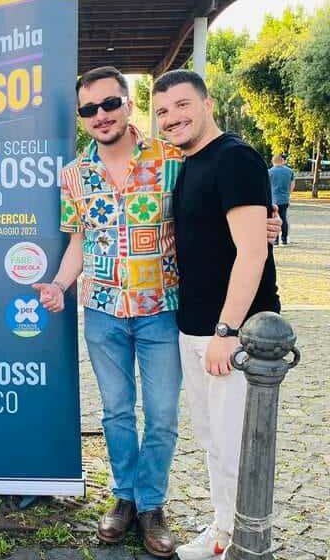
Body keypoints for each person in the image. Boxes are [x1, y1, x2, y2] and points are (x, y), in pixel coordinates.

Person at [34, 66, 281, 559]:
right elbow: (78, 242)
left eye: (110, 103)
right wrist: (60, 284)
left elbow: (218, 208)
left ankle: (152, 505)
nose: (101, 115)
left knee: (164, 415)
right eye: (89, 109)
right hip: (102, 310)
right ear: (82, 117)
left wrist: (265, 223)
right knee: (116, 412)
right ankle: (124, 498)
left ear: (128, 105)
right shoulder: (73, 175)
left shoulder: (172, 158)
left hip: (162, 309)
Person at [152, 69, 281, 560]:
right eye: (162, 111)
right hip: (195, 325)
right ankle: (225, 530)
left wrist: (227, 331)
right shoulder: (189, 164)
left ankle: (245, 542)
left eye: (182, 105)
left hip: (231, 331)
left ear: (207, 104)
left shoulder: (234, 158)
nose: (172, 118)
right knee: (213, 440)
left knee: (235, 444)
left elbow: (252, 253)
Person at [269, 154, 294, 245]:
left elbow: (267, 185)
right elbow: (292, 185)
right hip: (284, 199)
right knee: (283, 218)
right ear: (281, 161)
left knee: (274, 219)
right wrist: (288, 194)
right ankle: (284, 239)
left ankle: (275, 240)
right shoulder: (290, 171)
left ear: (273, 161)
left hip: (273, 199)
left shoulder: (269, 172)